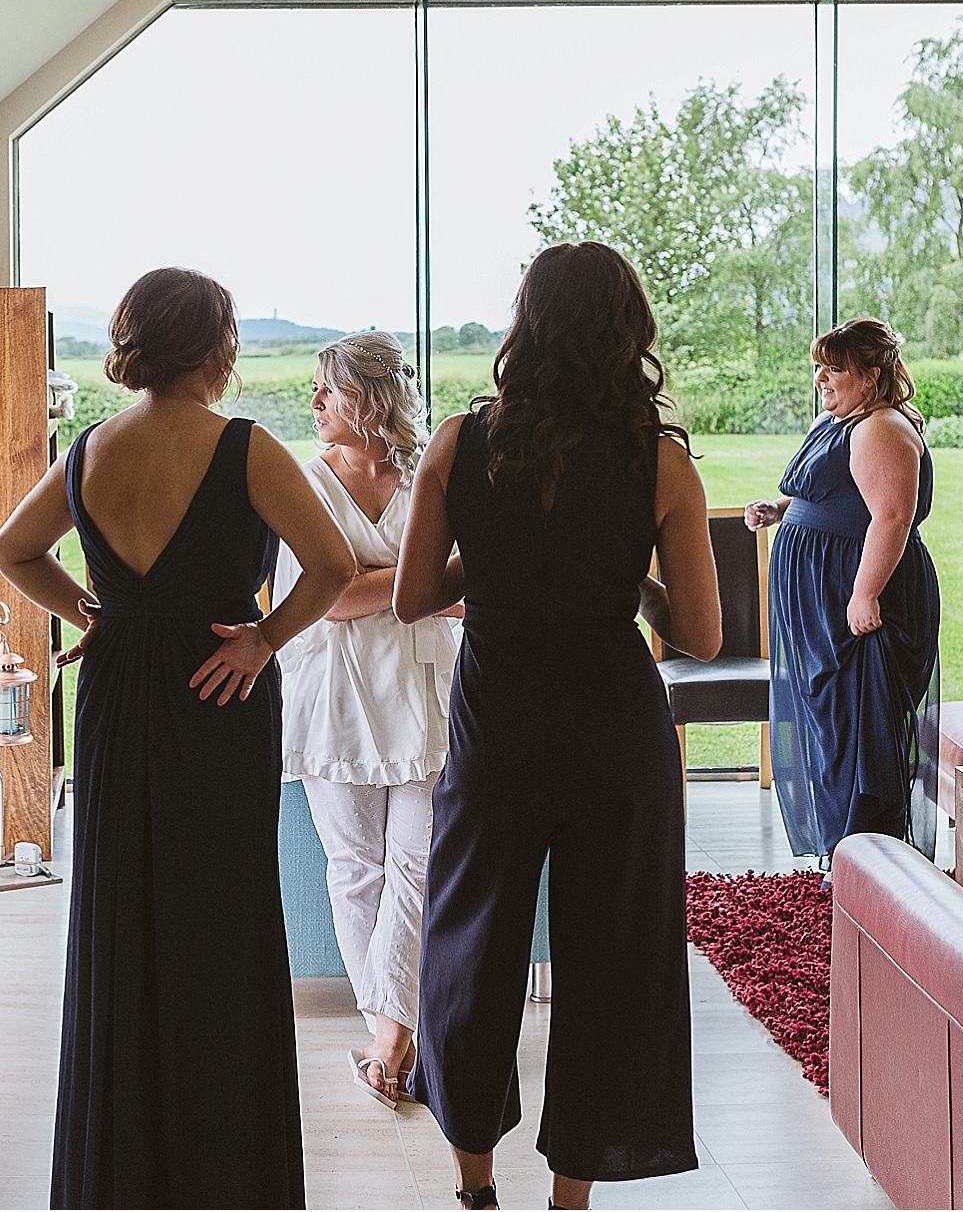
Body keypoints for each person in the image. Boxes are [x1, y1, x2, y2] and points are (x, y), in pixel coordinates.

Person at [0, 267, 355, 1209]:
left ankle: (123, 1177)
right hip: (218, 696)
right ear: (215, 346)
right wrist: (264, 640)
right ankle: (223, 1176)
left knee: (122, 918)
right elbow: (332, 566)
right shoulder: (245, 447)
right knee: (222, 924)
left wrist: (97, 613)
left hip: (117, 695)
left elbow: (10, 549)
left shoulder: (92, 449)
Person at [394, 241, 720, 1212]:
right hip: (613, 732)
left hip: (497, 725)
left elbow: (412, 595)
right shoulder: (660, 461)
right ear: (628, 333)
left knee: (469, 947)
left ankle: (474, 1185)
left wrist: (497, 567)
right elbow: (700, 634)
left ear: (524, 324)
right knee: (613, 961)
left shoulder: (459, 441)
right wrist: (630, 580)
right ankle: (570, 1198)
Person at [271, 331, 458, 1107]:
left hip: (424, 693)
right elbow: (328, 599)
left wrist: (375, 580)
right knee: (355, 870)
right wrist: (418, 582)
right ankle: (393, 1036)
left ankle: (387, 1039)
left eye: (328, 388)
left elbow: (465, 587)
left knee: (419, 863)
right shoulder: (304, 483)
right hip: (335, 700)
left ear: (372, 399)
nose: (313, 402)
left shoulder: (430, 474)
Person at [746, 317, 941, 867]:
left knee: (860, 729)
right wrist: (779, 509)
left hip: (858, 599)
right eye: (819, 368)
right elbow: (834, 491)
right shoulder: (836, 422)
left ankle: (868, 861)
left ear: (872, 375)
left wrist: (864, 593)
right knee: (830, 723)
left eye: (834, 369)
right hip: (823, 599)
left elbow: (893, 516)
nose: (820, 379)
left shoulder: (883, 428)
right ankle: (845, 857)